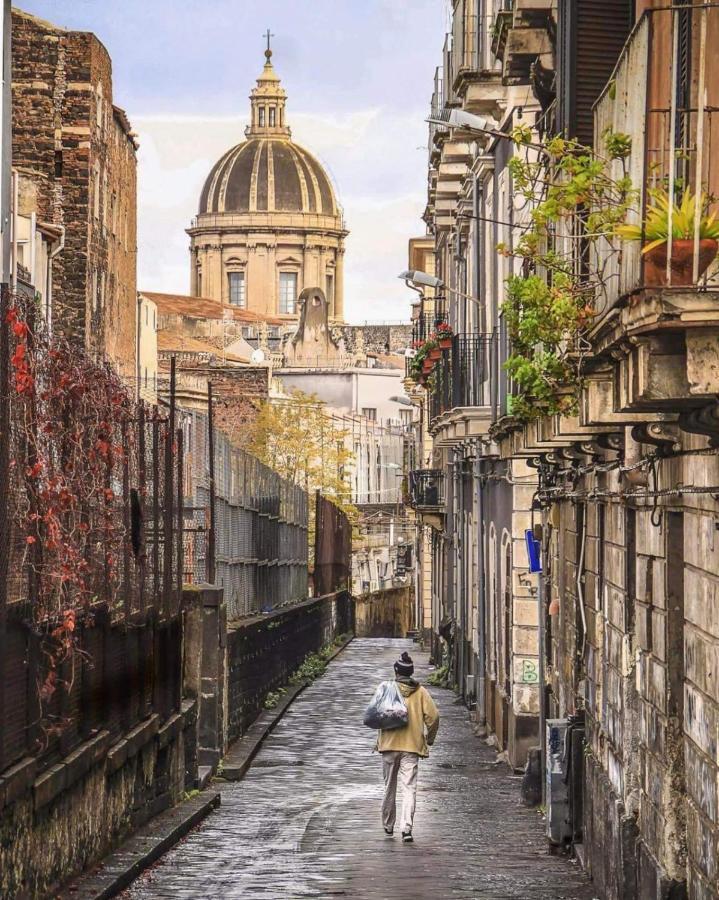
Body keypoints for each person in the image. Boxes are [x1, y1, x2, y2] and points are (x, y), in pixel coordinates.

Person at [377, 651, 439, 843]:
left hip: (388, 745)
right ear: (411, 672)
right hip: (411, 746)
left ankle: (388, 826)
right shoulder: (420, 692)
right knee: (409, 787)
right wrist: (429, 739)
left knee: (389, 787)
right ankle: (406, 828)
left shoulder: (386, 689)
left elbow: (373, 714)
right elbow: (434, 717)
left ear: (396, 672)